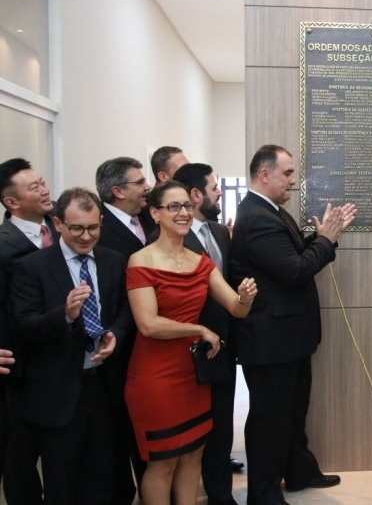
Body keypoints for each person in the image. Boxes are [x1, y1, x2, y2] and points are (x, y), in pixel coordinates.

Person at [230, 144, 356, 505]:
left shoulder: (271, 211)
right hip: (271, 341)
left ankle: (299, 472)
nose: (293, 180)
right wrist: (326, 240)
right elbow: (295, 270)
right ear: (264, 174)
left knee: (292, 413)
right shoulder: (257, 217)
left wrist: (321, 238)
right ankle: (264, 494)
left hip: (288, 338)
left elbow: (294, 254)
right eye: (286, 173)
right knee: (270, 420)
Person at [124, 181, 257, 505]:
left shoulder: (201, 261)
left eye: (186, 205)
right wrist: (198, 329)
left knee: (193, 455)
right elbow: (148, 324)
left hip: (194, 376)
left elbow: (236, 308)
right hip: (156, 377)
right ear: (155, 213)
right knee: (163, 462)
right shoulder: (141, 261)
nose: (183, 212)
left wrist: (246, 296)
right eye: (173, 207)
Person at [11, 187, 133, 503]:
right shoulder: (33, 267)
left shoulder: (113, 260)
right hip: (58, 392)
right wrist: (64, 315)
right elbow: (25, 327)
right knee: (63, 483)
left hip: (104, 386)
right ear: (58, 224)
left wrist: (115, 334)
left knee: (103, 477)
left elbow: (124, 310)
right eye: (77, 228)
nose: (85, 236)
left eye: (93, 227)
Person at [171, 163, 240, 504]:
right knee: (194, 427)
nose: (220, 192)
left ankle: (220, 493)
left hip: (224, 344)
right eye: (214, 187)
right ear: (196, 194)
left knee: (223, 424)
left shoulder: (220, 232)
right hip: (190, 348)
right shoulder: (174, 239)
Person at [95, 155, 155, 503]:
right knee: (121, 434)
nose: (147, 187)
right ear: (117, 191)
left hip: (155, 347)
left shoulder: (148, 219)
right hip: (121, 347)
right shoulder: (100, 231)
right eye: (139, 182)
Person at [0, 157, 55, 504]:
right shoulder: (4, 246)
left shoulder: (62, 229)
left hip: (64, 361)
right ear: (12, 202)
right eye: (34, 187)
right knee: (20, 457)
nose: (45, 190)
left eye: (42, 182)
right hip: (20, 368)